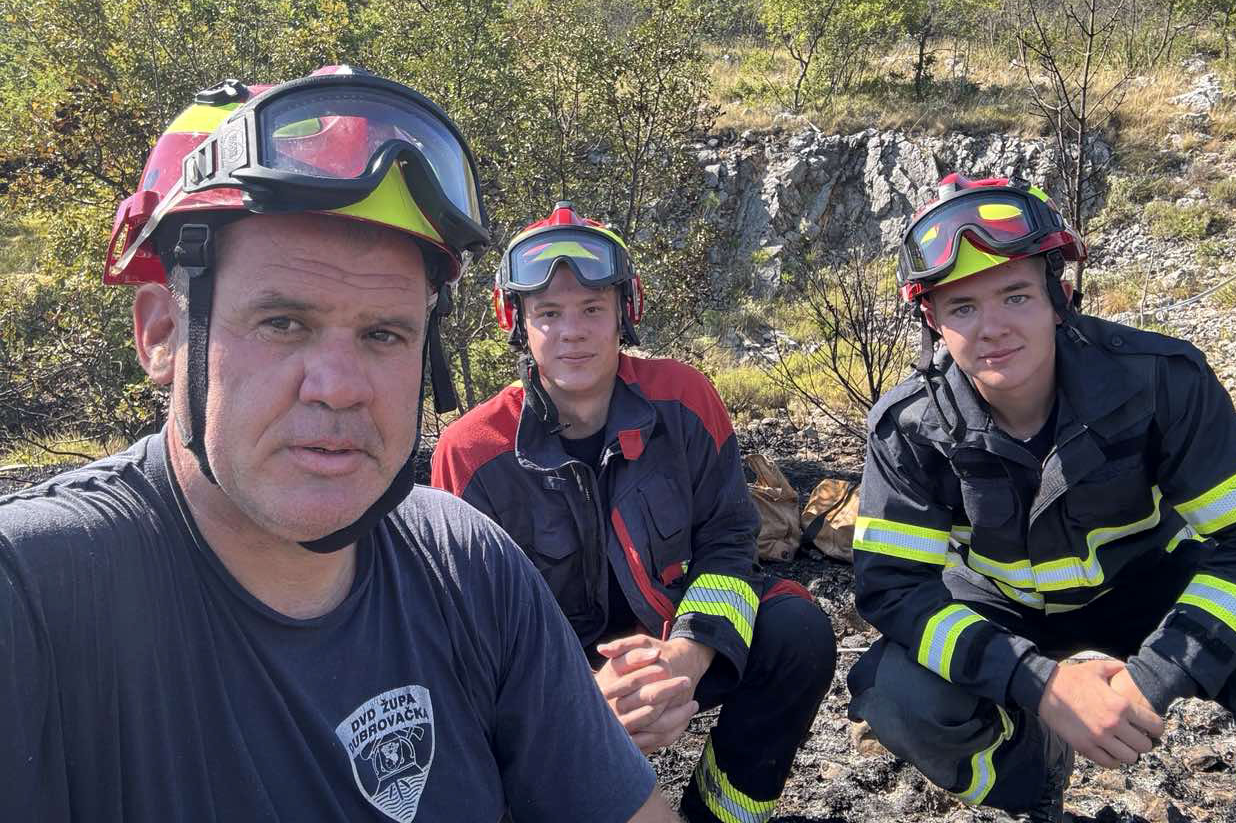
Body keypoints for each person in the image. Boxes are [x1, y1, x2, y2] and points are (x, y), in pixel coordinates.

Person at [0, 68, 676, 822]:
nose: (340, 387)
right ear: (162, 333)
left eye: (383, 334)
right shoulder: (34, 595)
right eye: (283, 323)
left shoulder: (467, 567)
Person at [847, 173, 1236, 822]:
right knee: (897, 694)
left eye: (1016, 295)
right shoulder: (908, 428)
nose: (992, 328)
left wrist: (1155, 676)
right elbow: (895, 589)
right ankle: (1035, 781)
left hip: (1145, 589)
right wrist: (1040, 685)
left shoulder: (1160, 381)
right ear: (933, 321)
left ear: (1060, 296)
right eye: (962, 308)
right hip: (999, 608)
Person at [431, 202, 837, 823]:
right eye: (549, 313)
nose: (572, 331)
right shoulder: (471, 453)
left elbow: (729, 541)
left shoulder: (685, 399)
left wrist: (688, 657)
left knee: (796, 632)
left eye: (593, 308)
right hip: (548, 687)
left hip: (672, 645)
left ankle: (720, 816)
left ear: (626, 310)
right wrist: (578, 708)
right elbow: (470, 639)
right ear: (516, 320)